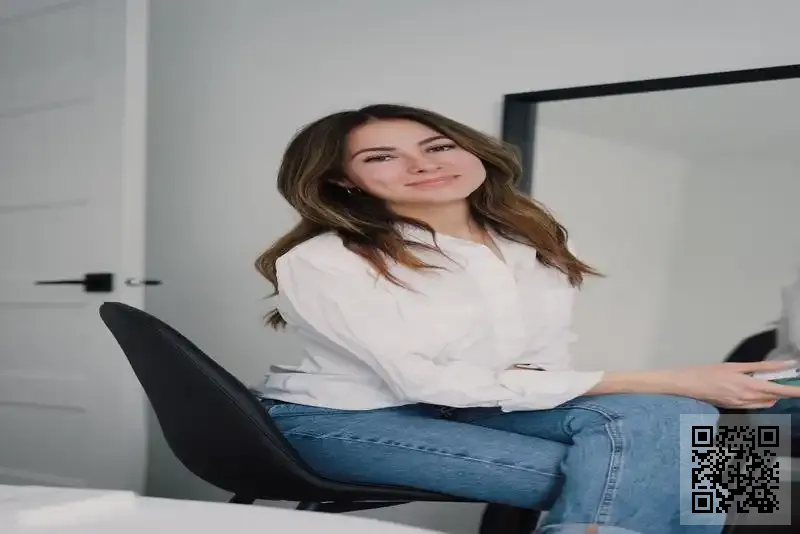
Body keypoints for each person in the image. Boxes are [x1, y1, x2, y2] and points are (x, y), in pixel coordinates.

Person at [254, 104, 800, 534]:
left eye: (438, 146)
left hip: (477, 409)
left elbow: (538, 365)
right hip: (347, 420)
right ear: (342, 180)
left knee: (687, 424)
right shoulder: (324, 259)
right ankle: (748, 518)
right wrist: (668, 379)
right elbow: (424, 382)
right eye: (381, 157)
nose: (423, 164)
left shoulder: (531, 242)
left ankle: (748, 517)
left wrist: (682, 390)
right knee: (665, 473)